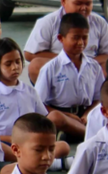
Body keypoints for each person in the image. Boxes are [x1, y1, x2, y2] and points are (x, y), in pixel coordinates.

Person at [0, 37, 70, 166]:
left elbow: (41, 118)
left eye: (17, 62)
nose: (15, 67)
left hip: (31, 142)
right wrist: (10, 139)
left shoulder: (29, 91)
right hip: (4, 143)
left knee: (63, 146)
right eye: (8, 64)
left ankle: (31, 161)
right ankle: (52, 164)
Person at [23, 0, 108, 84]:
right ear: (64, 1)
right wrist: (68, 60)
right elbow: (29, 54)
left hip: (90, 69)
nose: (84, 8)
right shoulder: (48, 22)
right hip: (58, 69)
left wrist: (84, 62)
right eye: (78, 3)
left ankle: (95, 97)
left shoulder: (100, 22)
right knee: (35, 65)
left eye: (88, 4)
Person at [34, 12, 104, 141]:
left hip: (86, 115)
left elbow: (100, 98)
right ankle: (94, 136)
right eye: (75, 38)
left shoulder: (94, 66)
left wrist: (88, 114)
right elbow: (38, 104)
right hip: (63, 116)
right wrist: (66, 115)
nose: (81, 42)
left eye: (84, 37)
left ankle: (79, 134)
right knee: (55, 118)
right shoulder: (51, 68)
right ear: (61, 38)